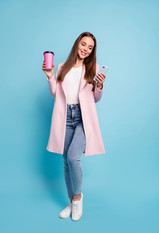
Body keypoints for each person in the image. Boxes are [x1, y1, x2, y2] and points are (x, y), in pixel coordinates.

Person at [42, 31, 106, 221]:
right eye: (83, 44)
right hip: (65, 117)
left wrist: (100, 87)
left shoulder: (93, 69)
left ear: (92, 51)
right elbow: (56, 94)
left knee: (73, 157)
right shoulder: (63, 66)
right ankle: (71, 201)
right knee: (65, 161)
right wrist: (50, 76)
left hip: (82, 118)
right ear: (77, 43)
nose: (86, 49)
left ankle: (78, 198)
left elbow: (95, 99)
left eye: (90, 47)